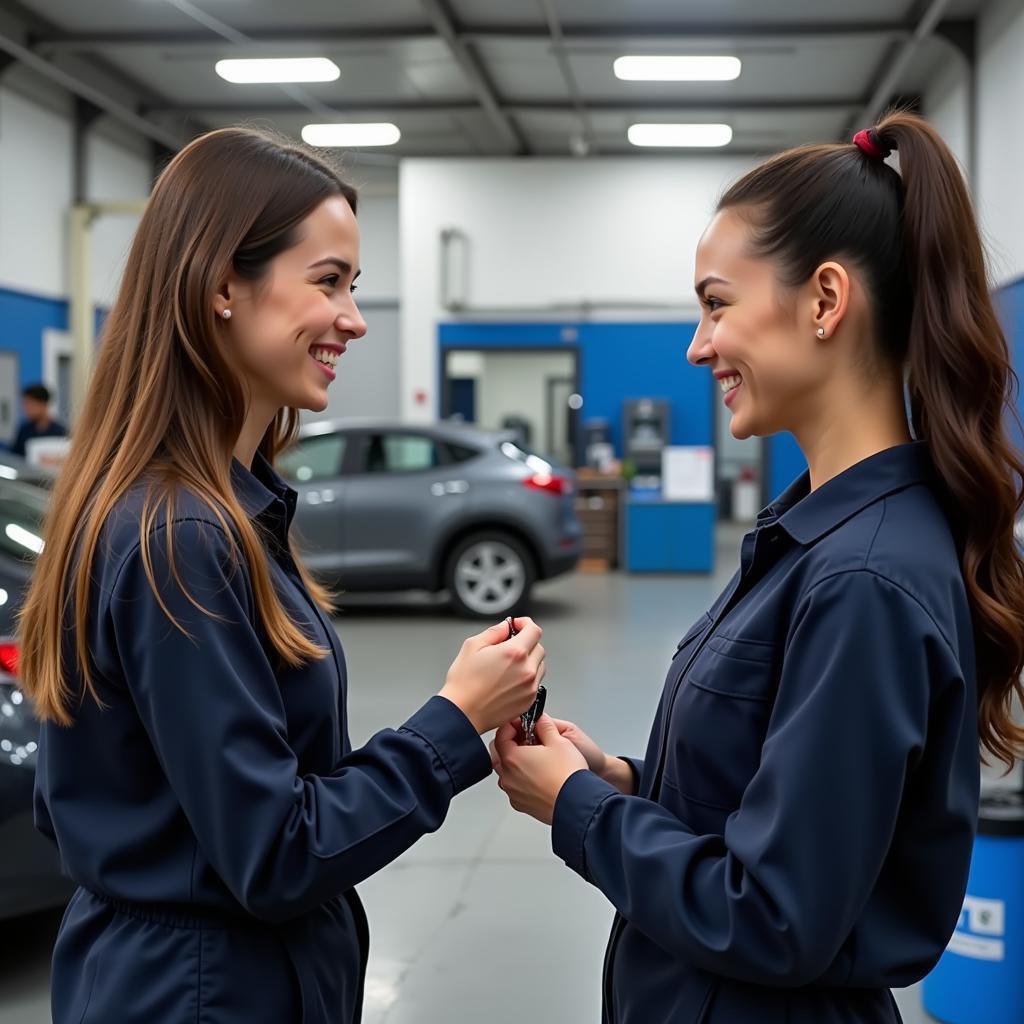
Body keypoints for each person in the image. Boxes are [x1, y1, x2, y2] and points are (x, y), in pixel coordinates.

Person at [492, 110, 1024, 1023]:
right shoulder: (818, 540)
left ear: (824, 300)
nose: (699, 346)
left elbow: (776, 914)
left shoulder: (864, 579)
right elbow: (778, 803)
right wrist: (627, 782)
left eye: (716, 303)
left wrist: (580, 810)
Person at [17, 127, 545, 1024]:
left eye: (354, 286)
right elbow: (273, 853)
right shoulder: (180, 535)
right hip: (201, 994)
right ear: (224, 284)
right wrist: (453, 723)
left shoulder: (214, 510)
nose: (354, 318)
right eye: (328, 280)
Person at [9, 383, 67, 457]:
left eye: (29, 404)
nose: (26, 409)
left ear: (43, 404)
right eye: (24, 405)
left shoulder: (61, 432)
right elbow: (15, 458)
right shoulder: (24, 431)